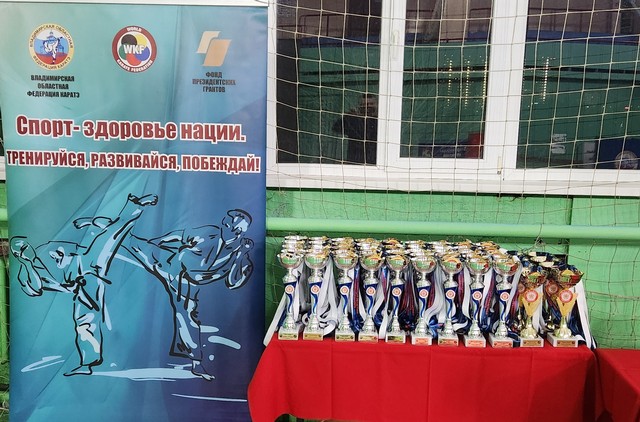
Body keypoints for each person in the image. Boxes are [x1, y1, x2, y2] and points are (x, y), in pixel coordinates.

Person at [10, 193, 158, 376]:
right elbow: (35, 288)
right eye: (19, 251)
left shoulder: (45, 248)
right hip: (80, 287)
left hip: (85, 262)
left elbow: (71, 249)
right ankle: (88, 363)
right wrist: (27, 263)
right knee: (83, 323)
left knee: (109, 237)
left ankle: (134, 205)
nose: (25, 251)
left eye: (25, 247)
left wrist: (63, 254)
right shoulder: (24, 272)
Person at [123, 209, 254, 381]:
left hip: (189, 284)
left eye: (236, 229)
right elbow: (178, 236)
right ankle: (120, 227)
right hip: (171, 266)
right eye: (229, 224)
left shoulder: (241, 251)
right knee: (136, 245)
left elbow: (233, 282)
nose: (231, 229)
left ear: (241, 232)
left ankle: (196, 362)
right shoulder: (208, 233)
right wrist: (156, 242)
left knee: (186, 315)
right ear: (224, 223)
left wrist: (241, 255)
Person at [332, 93, 378, 165]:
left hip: (376, 163)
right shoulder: (354, 120)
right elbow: (336, 128)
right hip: (355, 162)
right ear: (359, 106)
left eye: (371, 104)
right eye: (364, 104)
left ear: (377, 105)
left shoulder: (380, 121)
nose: (367, 107)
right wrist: (348, 116)